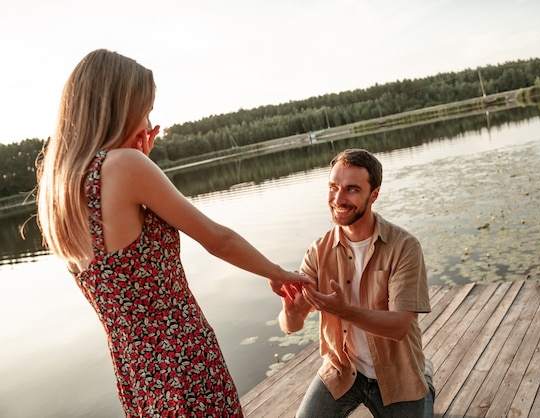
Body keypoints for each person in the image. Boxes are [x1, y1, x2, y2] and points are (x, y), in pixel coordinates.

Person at [36, 49, 312, 417]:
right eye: (145, 109)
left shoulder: (60, 194)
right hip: (184, 361)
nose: (150, 120)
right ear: (119, 106)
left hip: (138, 374)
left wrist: (141, 159)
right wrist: (278, 274)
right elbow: (218, 239)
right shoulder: (124, 166)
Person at [279, 148, 435, 417]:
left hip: (398, 374)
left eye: (351, 189)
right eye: (333, 187)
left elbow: (399, 326)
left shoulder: (404, 246)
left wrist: (345, 311)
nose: (338, 198)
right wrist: (291, 311)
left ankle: (426, 384)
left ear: (374, 194)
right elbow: (290, 326)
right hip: (343, 370)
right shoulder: (318, 251)